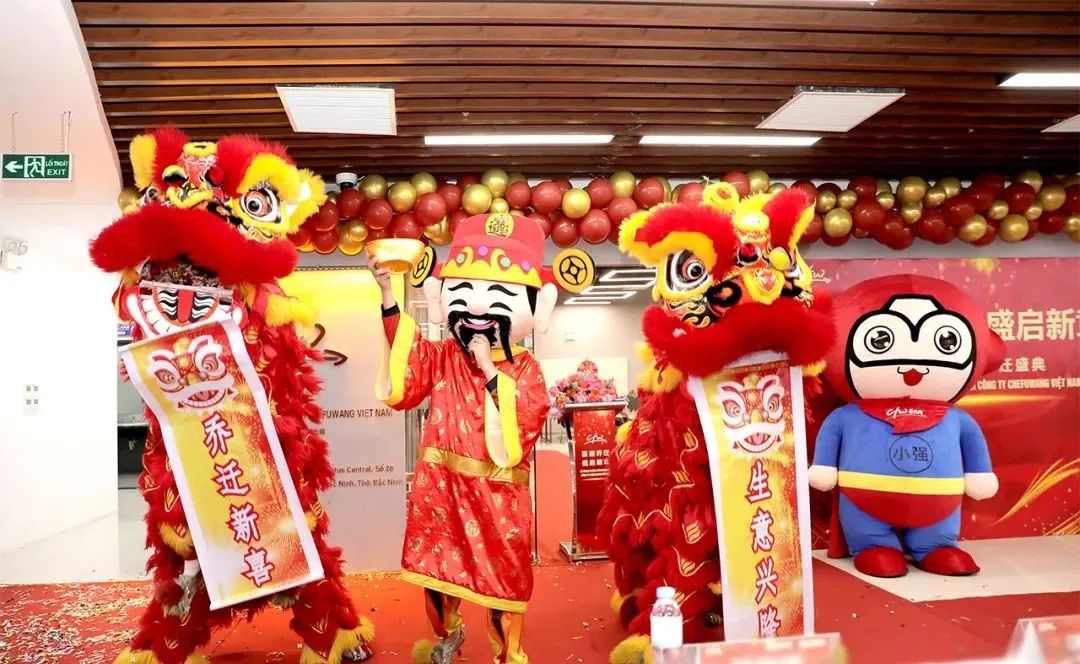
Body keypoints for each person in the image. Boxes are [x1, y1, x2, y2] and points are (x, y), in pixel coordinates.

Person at [371, 212, 565, 664]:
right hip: (442, 488)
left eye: (496, 296)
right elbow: (408, 363)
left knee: (503, 585)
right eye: (464, 292)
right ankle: (449, 634)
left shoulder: (526, 368)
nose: (476, 309)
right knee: (436, 573)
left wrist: (490, 370)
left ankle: (508, 655)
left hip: (498, 496)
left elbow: (528, 419)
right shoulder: (444, 357)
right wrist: (386, 292)